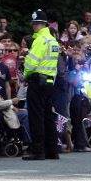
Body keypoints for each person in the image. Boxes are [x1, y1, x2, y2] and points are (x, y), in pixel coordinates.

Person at [21, 9, 61, 160]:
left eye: (35, 24)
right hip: (50, 82)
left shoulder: (40, 40)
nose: (33, 27)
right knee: (48, 116)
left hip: (37, 81)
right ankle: (52, 150)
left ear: (40, 24)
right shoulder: (52, 40)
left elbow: (31, 62)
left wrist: (25, 75)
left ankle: (38, 151)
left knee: (36, 116)